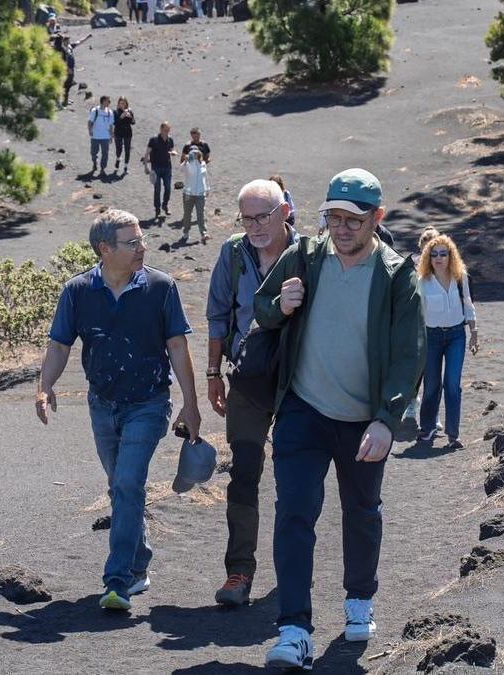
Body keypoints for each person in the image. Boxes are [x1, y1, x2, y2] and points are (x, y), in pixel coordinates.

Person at [254, 169, 424, 669]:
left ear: (377, 217)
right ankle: (294, 631)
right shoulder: (305, 256)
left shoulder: (396, 275)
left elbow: (409, 354)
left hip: (364, 420)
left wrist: (387, 418)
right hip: (302, 410)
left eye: (354, 219)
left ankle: (359, 599)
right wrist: (280, 305)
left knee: (362, 511)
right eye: (334, 217)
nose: (342, 228)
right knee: (294, 513)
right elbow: (262, 307)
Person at [36, 209, 203, 611]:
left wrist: (191, 405)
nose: (142, 248)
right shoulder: (77, 291)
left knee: (128, 483)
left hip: (149, 403)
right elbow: (59, 345)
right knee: (120, 487)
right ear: (104, 249)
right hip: (102, 405)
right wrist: (44, 386)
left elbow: (177, 346)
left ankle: (118, 580)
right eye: (132, 242)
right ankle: (139, 562)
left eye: (142, 239)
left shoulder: (161, 287)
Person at [204, 179, 298, 607]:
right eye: (247, 219)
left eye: (264, 216)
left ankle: (295, 567)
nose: (256, 226)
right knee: (243, 473)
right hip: (247, 377)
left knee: (296, 476)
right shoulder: (233, 254)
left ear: (284, 213)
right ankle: (239, 572)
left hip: (299, 380)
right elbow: (218, 315)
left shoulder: (309, 253)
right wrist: (213, 373)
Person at [416, 234, 478, 450]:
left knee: (452, 384)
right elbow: (417, 314)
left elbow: (468, 305)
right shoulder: (422, 282)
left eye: (443, 253)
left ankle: (453, 434)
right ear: (428, 257)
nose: (439, 258)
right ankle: (427, 427)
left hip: (456, 336)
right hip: (431, 337)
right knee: (432, 384)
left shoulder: (461, 277)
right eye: (434, 254)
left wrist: (474, 332)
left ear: (451, 256)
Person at [398, 226, 443, 439]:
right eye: (426, 247)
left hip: (438, 327)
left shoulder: (444, 267)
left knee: (434, 374)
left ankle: (433, 415)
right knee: (416, 370)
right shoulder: (414, 265)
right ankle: (411, 404)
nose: (430, 252)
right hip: (417, 325)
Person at [141, 122, 176, 220]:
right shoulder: (153, 140)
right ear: (161, 129)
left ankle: (165, 205)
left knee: (168, 188)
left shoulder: (170, 140)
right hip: (156, 168)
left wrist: (173, 152)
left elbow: (172, 149)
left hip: (167, 167)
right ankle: (157, 208)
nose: (167, 132)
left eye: (168, 130)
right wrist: (146, 167)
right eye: (165, 130)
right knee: (157, 189)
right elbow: (147, 153)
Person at [180, 149, 210, 243]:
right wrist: (185, 161)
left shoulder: (203, 164)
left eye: (197, 153)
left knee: (201, 214)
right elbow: (182, 169)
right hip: (188, 194)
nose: (195, 155)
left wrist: (207, 189)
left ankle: (203, 233)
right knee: (187, 214)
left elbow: (205, 177)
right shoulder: (188, 164)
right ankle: (186, 232)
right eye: (193, 153)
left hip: (200, 194)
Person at [89, 96, 116, 175]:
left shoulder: (110, 112)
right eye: (108, 101)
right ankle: (94, 162)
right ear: (103, 101)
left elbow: (111, 125)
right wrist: (90, 130)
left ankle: (102, 168)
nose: (109, 102)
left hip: (105, 136)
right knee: (93, 152)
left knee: (105, 153)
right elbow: (90, 122)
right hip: (95, 136)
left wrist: (111, 136)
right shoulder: (95, 111)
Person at [114, 97, 135, 172]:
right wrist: (121, 117)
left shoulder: (129, 111)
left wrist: (130, 116)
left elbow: (133, 122)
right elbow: (115, 123)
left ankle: (126, 166)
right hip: (118, 133)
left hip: (127, 133)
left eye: (124, 103)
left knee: (127, 150)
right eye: (121, 103)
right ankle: (118, 159)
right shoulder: (115, 112)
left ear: (126, 103)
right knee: (119, 149)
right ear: (118, 104)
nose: (122, 105)